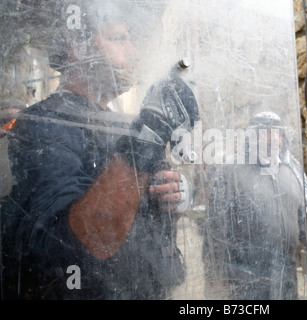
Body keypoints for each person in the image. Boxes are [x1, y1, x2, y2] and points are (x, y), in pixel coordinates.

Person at [1, 1, 199, 299]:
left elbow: (151, 196)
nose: (133, 51)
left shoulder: (119, 123)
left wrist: (178, 192)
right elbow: (78, 246)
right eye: (119, 38)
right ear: (77, 46)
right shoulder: (45, 123)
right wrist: (148, 134)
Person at [202, 111, 307, 300]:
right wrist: (216, 276)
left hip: (287, 273)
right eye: (266, 132)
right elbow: (215, 229)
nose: (273, 138)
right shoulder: (230, 172)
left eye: (277, 133)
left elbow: (306, 214)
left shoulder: (293, 169)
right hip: (245, 279)